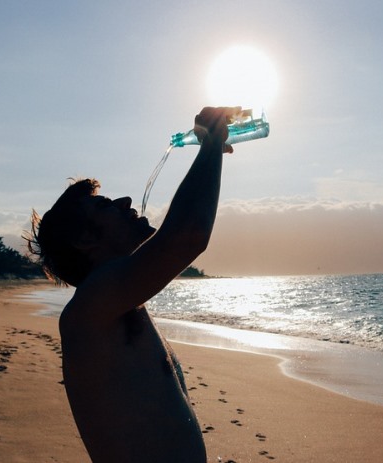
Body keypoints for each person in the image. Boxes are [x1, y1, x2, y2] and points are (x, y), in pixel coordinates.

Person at [27, 107, 240, 462]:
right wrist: (211, 142)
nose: (125, 201)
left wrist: (211, 150)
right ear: (84, 239)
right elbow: (187, 236)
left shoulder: (118, 304)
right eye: (105, 206)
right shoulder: (91, 308)